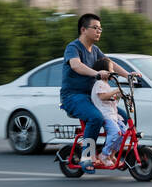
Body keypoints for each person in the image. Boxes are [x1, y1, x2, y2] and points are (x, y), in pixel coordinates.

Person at [58, 13, 138, 171]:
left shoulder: (95, 50)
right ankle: (87, 157)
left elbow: (111, 64)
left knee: (121, 115)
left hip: (94, 97)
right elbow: (76, 65)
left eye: (100, 28)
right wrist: (96, 74)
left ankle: (109, 154)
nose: (99, 31)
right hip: (73, 96)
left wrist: (128, 75)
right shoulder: (73, 47)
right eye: (95, 28)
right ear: (83, 29)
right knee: (95, 117)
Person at [89, 58, 128, 169]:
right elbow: (103, 97)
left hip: (113, 114)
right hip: (105, 115)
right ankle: (104, 155)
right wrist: (116, 91)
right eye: (110, 70)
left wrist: (118, 96)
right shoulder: (99, 83)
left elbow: (111, 101)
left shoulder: (107, 85)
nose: (112, 73)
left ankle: (112, 155)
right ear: (103, 71)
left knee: (124, 133)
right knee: (116, 133)